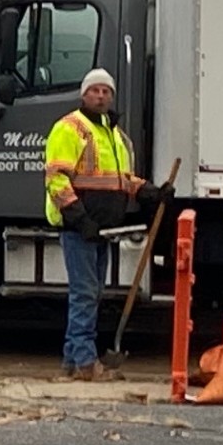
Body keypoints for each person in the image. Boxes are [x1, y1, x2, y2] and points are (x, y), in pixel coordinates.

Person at [44, 67, 167, 379]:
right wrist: (79, 218)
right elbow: (56, 180)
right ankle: (85, 362)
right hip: (81, 228)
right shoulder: (70, 128)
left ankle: (74, 361)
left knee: (90, 293)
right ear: (84, 94)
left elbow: (120, 180)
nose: (100, 95)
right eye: (95, 90)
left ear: (111, 96)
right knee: (85, 293)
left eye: (106, 91)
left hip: (102, 229)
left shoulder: (113, 134)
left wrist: (150, 191)